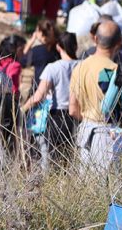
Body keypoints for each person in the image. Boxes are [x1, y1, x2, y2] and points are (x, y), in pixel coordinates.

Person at [21, 32, 79, 169]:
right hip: (79, 115)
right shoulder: (82, 65)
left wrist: (22, 109)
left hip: (57, 117)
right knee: (74, 158)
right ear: (76, 47)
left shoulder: (53, 68)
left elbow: (38, 96)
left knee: (55, 158)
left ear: (58, 47)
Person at [69, 20, 121, 171]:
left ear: (95, 39)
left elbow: (72, 109)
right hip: (107, 134)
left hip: (85, 132)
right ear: (119, 42)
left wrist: (87, 119)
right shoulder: (116, 70)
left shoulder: (80, 67)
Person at [24, 18, 60, 88]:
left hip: (39, 88)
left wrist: (30, 42)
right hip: (55, 87)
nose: (35, 33)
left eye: (37, 30)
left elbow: (23, 61)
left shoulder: (37, 51)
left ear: (41, 32)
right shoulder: (59, 48)